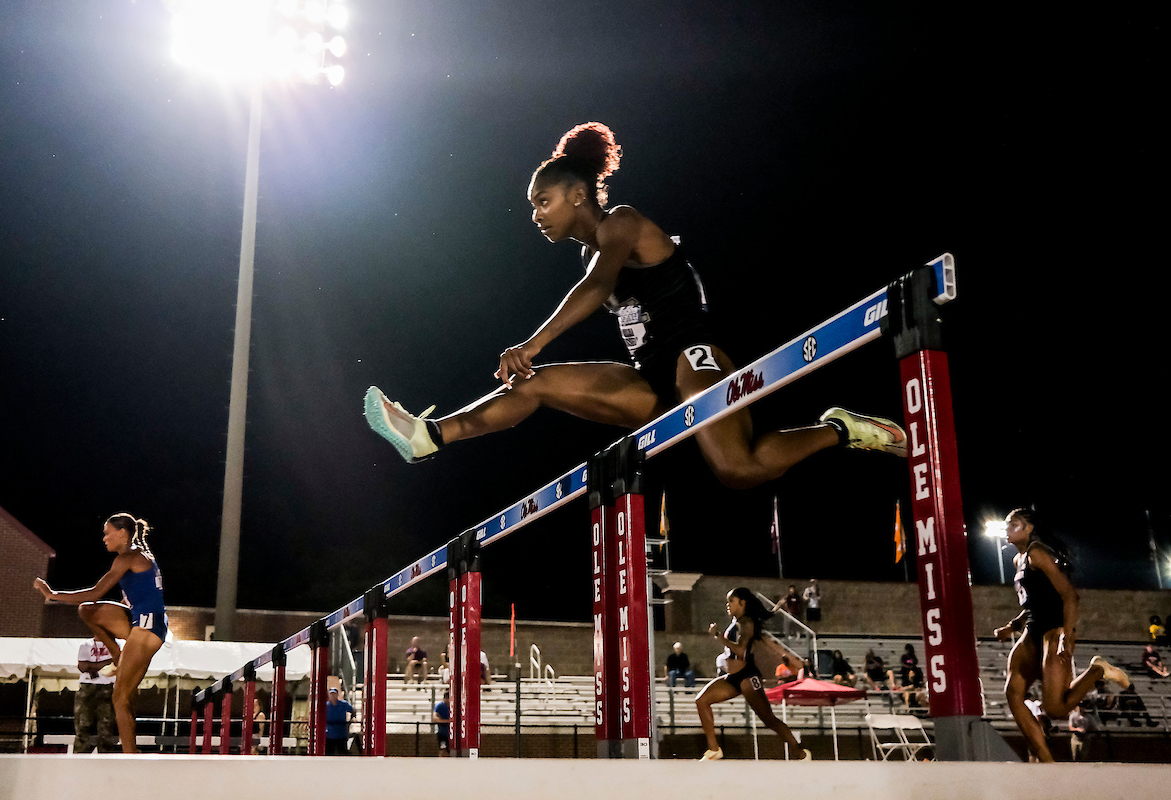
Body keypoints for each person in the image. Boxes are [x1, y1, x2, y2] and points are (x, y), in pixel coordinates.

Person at [363, 122, 907, 491]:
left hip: (693, 357)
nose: (535, 216)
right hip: (648, 378)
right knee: (532, 384)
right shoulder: (586, 255)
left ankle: (840, 428)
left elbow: (599, 287)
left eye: (542, 202)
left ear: (578, 194)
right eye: (532, 207)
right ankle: (429, 437)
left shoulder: (620, 223)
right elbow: (595, 285)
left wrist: (532, 343)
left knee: (737, 470)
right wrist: (535, 359)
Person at [992, 508, 1130, 763]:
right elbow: (1034, 602)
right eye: (1007, 525)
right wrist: (1013, 626)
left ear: (1029, 528)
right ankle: (1046, 760)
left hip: (1054, 630)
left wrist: (1066, 634)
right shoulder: (1017, 560)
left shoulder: (1037, 554)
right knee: (1013, 693)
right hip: (1033, 629)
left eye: (1014, 525)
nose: (1007, 529)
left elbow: (1069, 596)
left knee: (1055, 709)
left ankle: (1097, 670)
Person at [33, 513, 168, 754]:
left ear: (122, 533)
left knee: (119, 698)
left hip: (148, 628)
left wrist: (52, 595)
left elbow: (95, 592)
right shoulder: (138, 556)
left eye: (107, 533)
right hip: (144, 620)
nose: (104, 538)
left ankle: (130, 757)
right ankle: (117, 654)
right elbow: (141, 592)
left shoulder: (128, 557)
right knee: (87, 612)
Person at [694, 587, 810, 761]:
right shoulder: (738, 621)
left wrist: (718, 635)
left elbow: (741, 651)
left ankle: (799, 752)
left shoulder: (747, 622)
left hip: (747, 676)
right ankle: (714, 749)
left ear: (742, 602)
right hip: (733, 677)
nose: (727, 605)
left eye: (731, 601)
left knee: (768, 719)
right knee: (701, 700)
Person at [73, 636, 118, 753]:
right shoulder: (86, 645)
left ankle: (104, 759)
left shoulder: (115, 644)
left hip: (107, 686)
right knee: (82, 725)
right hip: (87, 686)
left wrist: (92, 666)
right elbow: (83, 666)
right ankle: (80, 756)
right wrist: (106, 664)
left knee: (106, 728)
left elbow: (118, 662)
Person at [325, 687, 354, 755]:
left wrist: (350, 720)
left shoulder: (343, 704)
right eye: (331, 694)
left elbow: (352, 710)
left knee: (342, 751)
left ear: (337, 695)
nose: (333, 696)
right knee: (329, 751)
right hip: (329, 732)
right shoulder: (326, 705)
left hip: (341, 731)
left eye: (334, 694)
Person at [433, 690, 451, 757]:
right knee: (443, 748)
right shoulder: (440, 706)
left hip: (452, 734)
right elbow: (435, 718)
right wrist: (447, 721)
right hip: (442, 733)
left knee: (450, 750)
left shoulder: (455, 706)